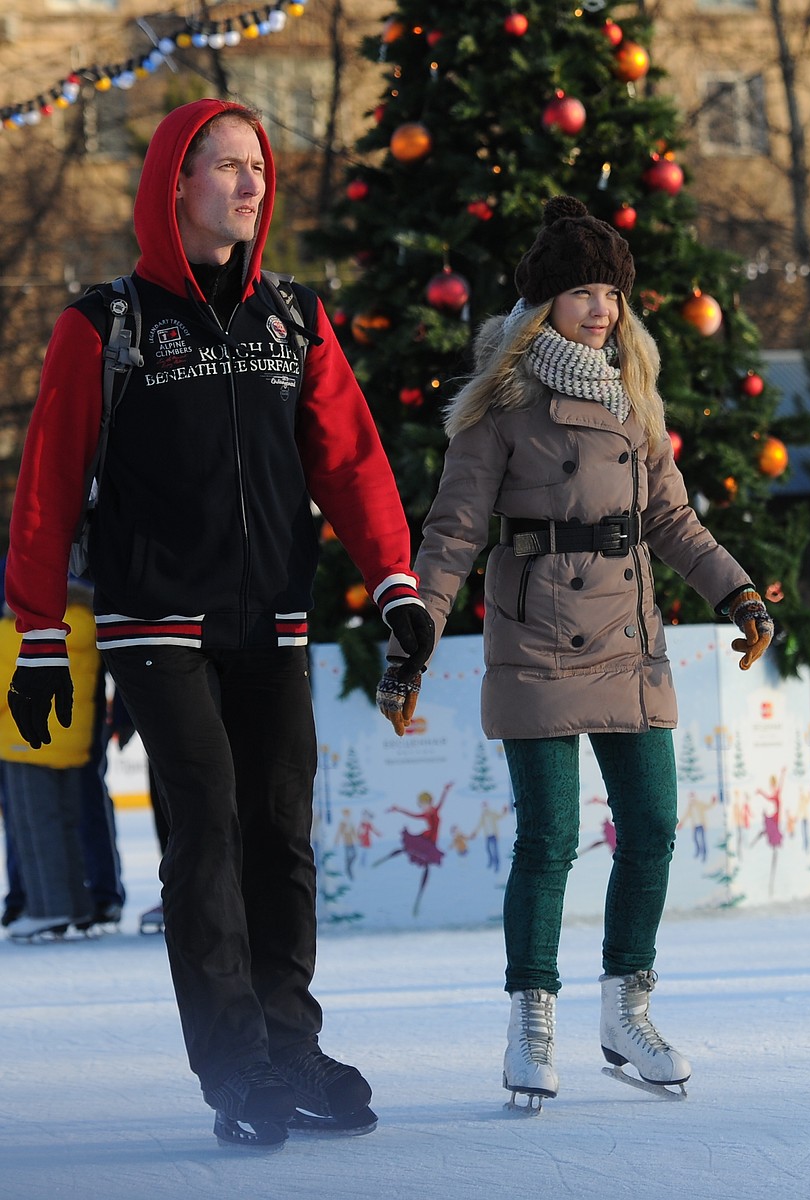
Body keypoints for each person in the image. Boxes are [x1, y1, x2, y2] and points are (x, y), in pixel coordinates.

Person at [5, 100, 433, 1150]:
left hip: (271, 617)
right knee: (208, 826)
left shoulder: (295, 318)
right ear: (174, 183)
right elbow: (47, 489)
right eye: (228, 168)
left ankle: (289, 1039)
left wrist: (395, 582)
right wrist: (41, 638)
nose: (251, 186)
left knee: (281, 833)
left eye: (258, 168)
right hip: (154, 618)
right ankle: (234, 1060)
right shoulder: (104, 327)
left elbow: (350, 458)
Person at [375, 196, 775, 1111]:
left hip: (629, 639)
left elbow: (671, 517)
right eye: (582, 293)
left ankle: (626, 1008)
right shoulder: (500, 406)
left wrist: (736, 589)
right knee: (550, 839)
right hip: (538, 637)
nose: (601, 310)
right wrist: (416, 635)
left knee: (655, 829)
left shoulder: (633, 395)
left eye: (611, 294)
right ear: (543, 304)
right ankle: (531, 1016)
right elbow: (453, 532)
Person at [0, 578, 101, 942]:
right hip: (71, 742)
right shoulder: (84, 627)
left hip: (23, 741)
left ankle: (48, 909)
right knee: (66, 825)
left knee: (34, 827)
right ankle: (77, 904)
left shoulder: (20, 634)